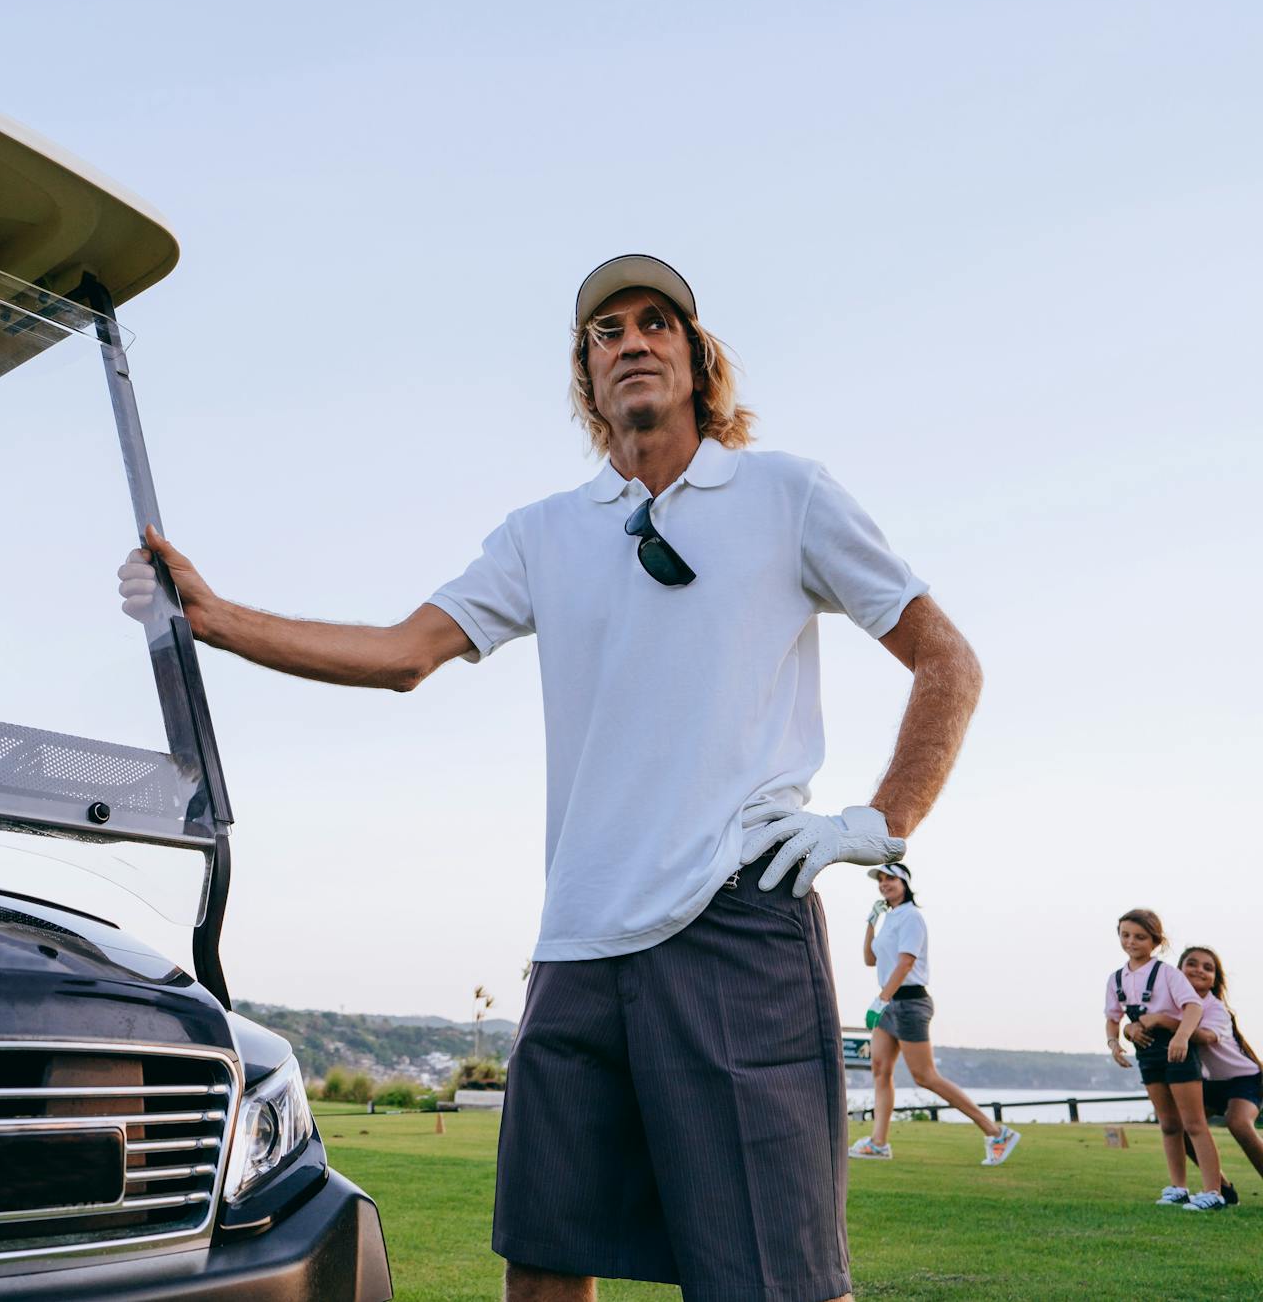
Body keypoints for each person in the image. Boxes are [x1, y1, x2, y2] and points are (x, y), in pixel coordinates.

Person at [119, 254, 985, 1302]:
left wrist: (874, 823)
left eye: (654, 322)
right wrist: (216, 619)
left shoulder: (783, 493)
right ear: (587, 376)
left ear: (696, 359)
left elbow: (946, 660)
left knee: (776, 1279)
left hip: (731, 925)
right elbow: (402, 654)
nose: (631, 340)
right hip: (574, 946)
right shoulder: (543, 532)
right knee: (541, 1269)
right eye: (605, 331)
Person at [849, 863, 1020, 1165]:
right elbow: (869, 959)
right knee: (880, 1070)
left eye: (891, 878)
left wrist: (881, 999)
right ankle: (878, 1143)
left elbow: (905, 964)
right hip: (889, 1003)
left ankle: (996, 1132)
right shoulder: (889, 918)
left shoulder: (912, 917)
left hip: (910, 1002)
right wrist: (870, 922)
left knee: (925, 1076)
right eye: (882, 880)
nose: (884, 884)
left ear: (904, 883)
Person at [1105, 909, 1225, 1210]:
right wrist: (1115, 1042)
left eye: (1140, 937)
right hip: (1147, 1055)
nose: (1131, 942)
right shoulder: (1116, 978)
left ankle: (1213, 1192)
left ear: (1156, 941)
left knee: (1194, 1123)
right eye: (1125, 935)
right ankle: (1178, 1187)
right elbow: (1113, 1017)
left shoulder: (1168, 974)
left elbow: (1193, 1008)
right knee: (1169, 1124)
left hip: (1177, 1051)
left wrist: (1182, 1037)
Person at [1170, 945, 1262, 1199]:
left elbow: (1206, 1037)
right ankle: (1222, 1188)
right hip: (1210, 1082)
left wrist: (1172, 1026)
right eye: (1192, 963)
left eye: (1207, 968)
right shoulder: (1174, 1006)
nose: (1198, 969)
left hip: (1245, 1080)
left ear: (1214, 980)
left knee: (1238, 1123)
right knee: (1181, 1126)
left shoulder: (1215, 1008)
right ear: (1178, 972)